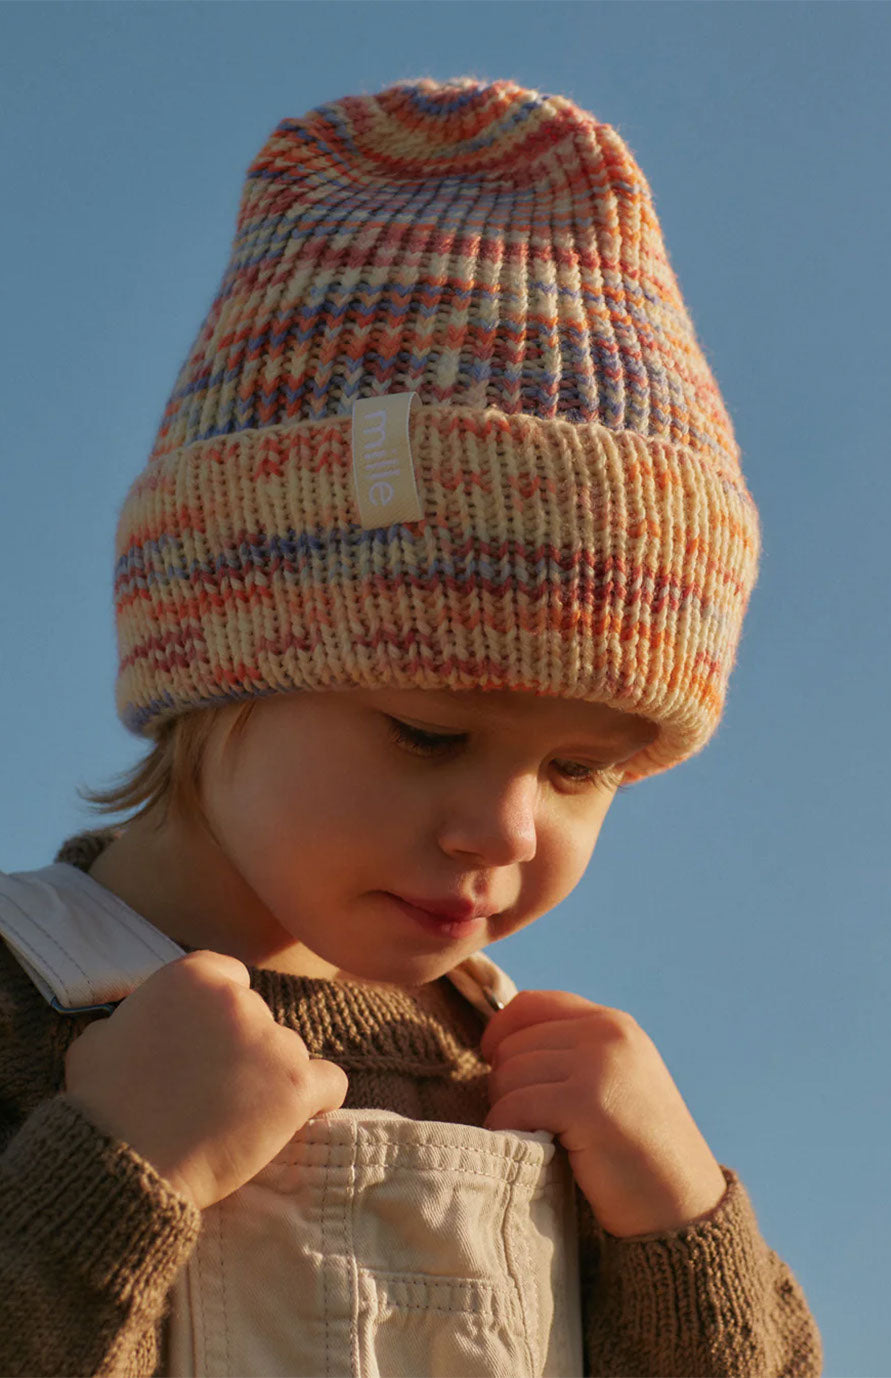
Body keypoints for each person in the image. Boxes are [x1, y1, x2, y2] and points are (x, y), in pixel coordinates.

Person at [0, 75, 822, 1378]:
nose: (504, 827)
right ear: (222, 659)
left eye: (578, 768)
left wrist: (679, 1229)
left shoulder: (533, 1081)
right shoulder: (24, 1005)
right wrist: (103, 1188)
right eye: (428, 731)